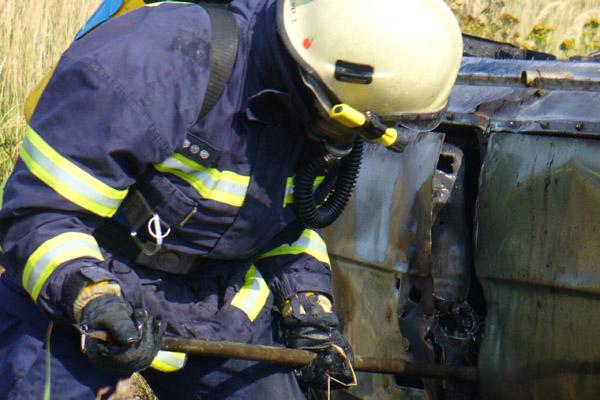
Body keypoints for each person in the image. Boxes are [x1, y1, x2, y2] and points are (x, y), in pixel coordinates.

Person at [0, 0, 463, 398]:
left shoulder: (321, 114)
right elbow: (39, 217)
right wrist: (94, 301)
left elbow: (288, 225)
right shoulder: (158, 63)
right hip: (78, 287)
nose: (356, 139)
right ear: (322, 83)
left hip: (219, 309)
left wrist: (307, 307)